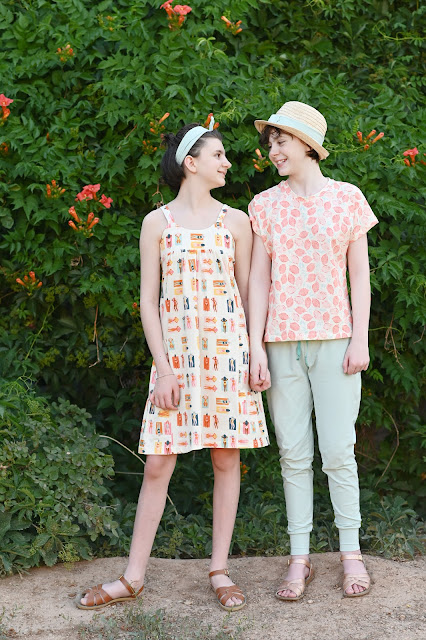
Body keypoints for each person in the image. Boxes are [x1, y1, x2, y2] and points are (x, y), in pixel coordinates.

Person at [77, 117, 269, 612]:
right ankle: (133, 577)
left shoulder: (236, 222)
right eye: (218, 155)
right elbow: (148, 301)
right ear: (191, 163)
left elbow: (248, 293)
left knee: (226, 458)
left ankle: (219, 570)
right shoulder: (156, 223)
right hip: (176, 362)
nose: (227, 163)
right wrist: (163, 368)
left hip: (228, 357)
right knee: (159, 463)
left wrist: (256, 351)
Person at [248, 101, 378, 600]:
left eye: (281, 141)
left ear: (307, 144)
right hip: (281, 343)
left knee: (339, 452)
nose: (273, 150)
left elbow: (359, 275)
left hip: (336, 340)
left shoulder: (347, 198)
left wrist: (361, 337)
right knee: (293, 454)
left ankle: (351, 555)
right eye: (271, 143)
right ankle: (299, 559)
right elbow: (258, 281)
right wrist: (257, 348)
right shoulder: (264, 205)